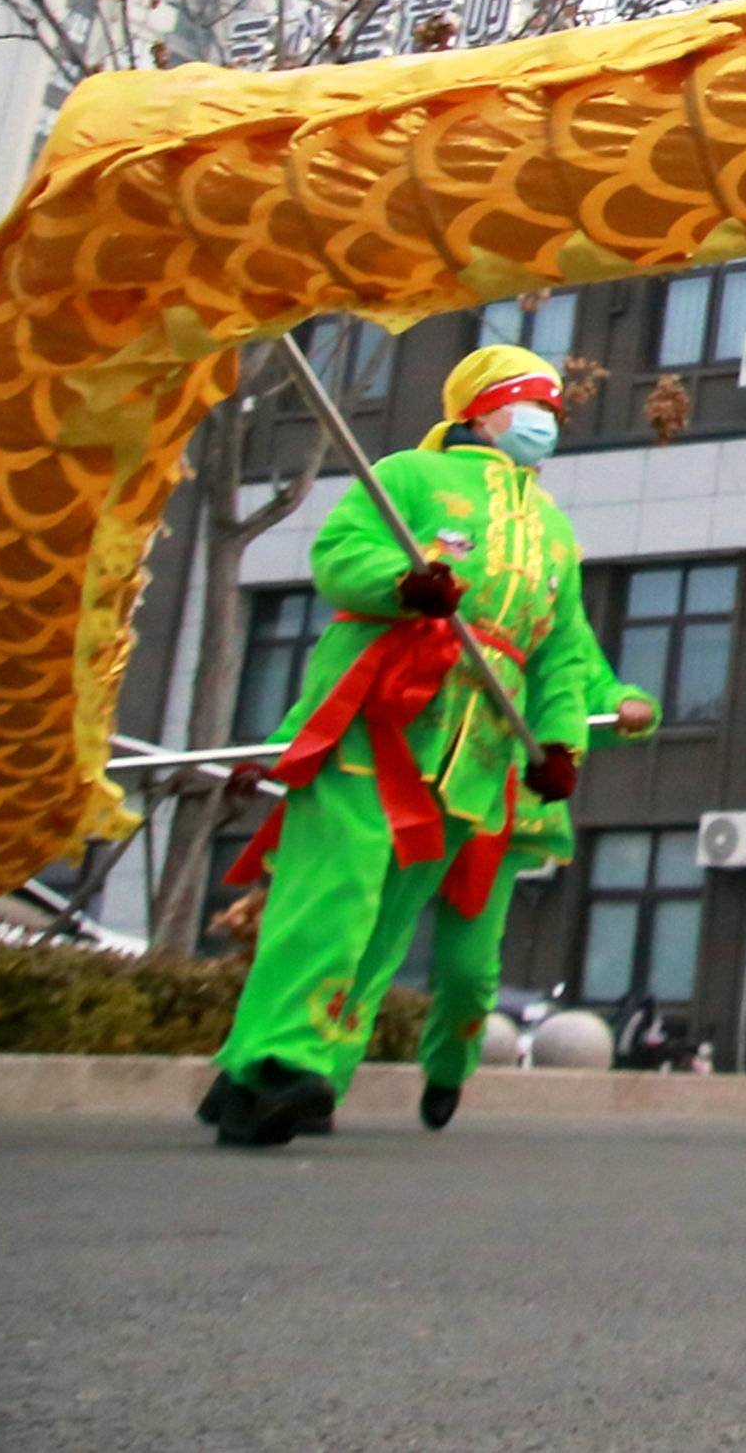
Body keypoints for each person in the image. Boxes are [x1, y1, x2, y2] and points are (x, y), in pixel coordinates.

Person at [196, 344, 609, 1147]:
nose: (545, 423)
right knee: (330, 897)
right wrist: (403, 584)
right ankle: (282, 1060)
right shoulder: (411, 478)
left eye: (555, 412)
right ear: (480, 408)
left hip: (476, 755)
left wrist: (558, 744)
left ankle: (295, 1069)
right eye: (532, 403)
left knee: (385, 925)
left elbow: (561, 650)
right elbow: (341, 552)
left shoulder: (556, 533)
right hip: (376, 720)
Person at [382, 672, 662, 1130]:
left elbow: (583, 681)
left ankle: (448, 1067)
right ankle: (307, 1071)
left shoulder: (551, 621)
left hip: (495, 823)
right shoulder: (440, 614)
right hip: (413, 797)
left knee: (469, 972)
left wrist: (629, 705)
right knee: (365, 946)